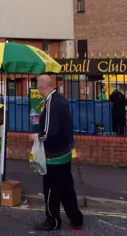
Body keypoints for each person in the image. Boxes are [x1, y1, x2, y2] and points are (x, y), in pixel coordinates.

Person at [33, 75, 83, 231]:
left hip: (53, 156)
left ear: (42, 87)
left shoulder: (50, 103)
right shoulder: (61, 98)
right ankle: (76, 218)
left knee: (51, 190)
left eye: (37, 86)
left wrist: (36, 136)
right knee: (67, 188)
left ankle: (53, 221)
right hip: (65, 153)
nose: (37, 89)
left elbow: (49, 132)